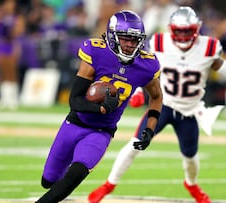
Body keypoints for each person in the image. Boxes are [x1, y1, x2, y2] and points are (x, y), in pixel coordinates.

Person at [88, 6, 226, 203]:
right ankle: (108, 185)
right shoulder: (158, 42)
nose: (182, 36)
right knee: (135, 145)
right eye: (178, 31)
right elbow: (140, 69)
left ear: (197, 28)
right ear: (170, 29)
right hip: (162, 106)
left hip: (189, 112)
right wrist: (139, 91)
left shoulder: (209, 48)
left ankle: (191, 184)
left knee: (190, 156)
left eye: (187, 31)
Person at [35, 10, 163, 203]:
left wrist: (150, 129)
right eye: (125, 38)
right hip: (75, 123)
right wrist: (101, 108)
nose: (130, 44)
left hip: (102, 131)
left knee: (76, 173)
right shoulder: (96, 52)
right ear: (112, 36)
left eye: (134, 39)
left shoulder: (147, 65)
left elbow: (156, 96)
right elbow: (75, 100)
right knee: (48, 180)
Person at [0, 0, 25, 110]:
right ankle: (4, 98)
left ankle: (13, 99)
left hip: (13, 45)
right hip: (3, 45)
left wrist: (12, 29)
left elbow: (19, 31)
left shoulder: (17, 17)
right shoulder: (2, 17)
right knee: (3, 72)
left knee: (12, 72)